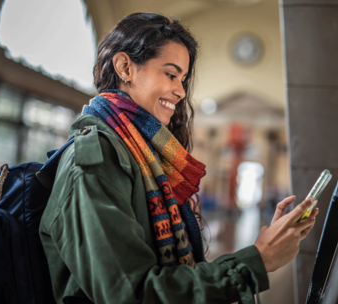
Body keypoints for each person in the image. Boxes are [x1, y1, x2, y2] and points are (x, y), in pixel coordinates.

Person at [39, 12, 318, 304]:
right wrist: (258, 260)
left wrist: (263, 250)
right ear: (125, 67)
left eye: (183, 79)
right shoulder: (95, 162)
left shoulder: (141, 154)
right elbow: (130, 293)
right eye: (171, 74)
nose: (181, 91)